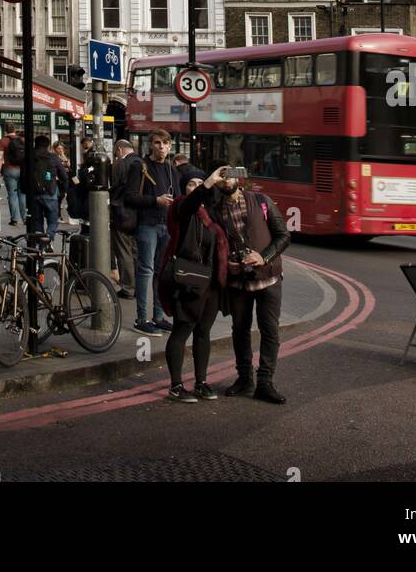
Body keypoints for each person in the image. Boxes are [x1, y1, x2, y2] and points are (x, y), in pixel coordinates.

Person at [214, 165, 291, 404]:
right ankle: (245, 379)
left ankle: (265, 383)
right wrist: (227, 264)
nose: (227, 180)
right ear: (216, 182)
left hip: (268, 278)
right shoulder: (215, 211)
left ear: (240, 178)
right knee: (240, 330)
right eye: (222, 177)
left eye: (231, 175)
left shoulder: (261, 200)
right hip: (239, 282)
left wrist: (263, 256)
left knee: (270, 330)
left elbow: (284, 236)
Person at [158, 165, 229, 402]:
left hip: (210, 281)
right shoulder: (180, 207)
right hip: (187, 279)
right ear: (184, 187)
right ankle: (176, 386)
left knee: (203, 331)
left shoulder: (211, 210)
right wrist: (207, 183)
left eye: (200, 183)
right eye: (191, 183)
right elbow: (190, 203)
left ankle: (201, 382)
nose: (196, 187)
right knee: (182, 329)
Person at [125, 130, 180, 335]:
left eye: (166, 143)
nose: (162, 147)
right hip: (147, 224)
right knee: (146, 270)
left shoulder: (171, 169)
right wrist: (155, 200)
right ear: (150, 145)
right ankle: (141, 318)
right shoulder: (140, 166)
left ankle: (158, 316)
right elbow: (129, 197)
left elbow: (179, 197)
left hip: (166, 225)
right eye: (157, 143)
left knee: (160, 271)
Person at [110, 140, 139, 298]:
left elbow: (114, 187)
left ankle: (128, 287)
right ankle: (137, 286)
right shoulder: (141, 162)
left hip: (123, 212)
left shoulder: (121, 164)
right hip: (139, 213)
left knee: (124, 251)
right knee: (135, 251)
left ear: (119, 150)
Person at [29, 134, 69, 244]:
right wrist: (62, 192)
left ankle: (40, 247)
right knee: (53, 220)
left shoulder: (29, 157)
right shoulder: (53, 157)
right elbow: (64, 176)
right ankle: (48, 237)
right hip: (51, 193)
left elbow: (23, 175)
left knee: (37, 223)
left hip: (35, 194)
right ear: (47, 145)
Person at [0, 125, 26, 226]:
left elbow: (0, 158)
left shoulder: (2, 141)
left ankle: (15, 220)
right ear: (15, 130)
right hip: (22, 169)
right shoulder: (22, 140)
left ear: (5, 130)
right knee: (22, 194)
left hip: (9, 170)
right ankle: (25, 218)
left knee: (12, 195)